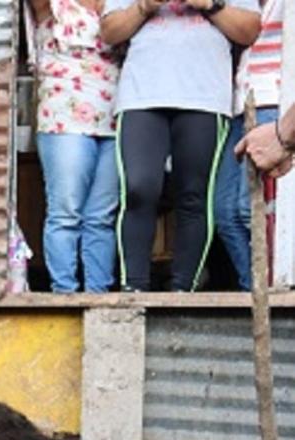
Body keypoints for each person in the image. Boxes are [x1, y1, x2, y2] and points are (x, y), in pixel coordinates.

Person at [101, 0, 261, 291]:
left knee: (193, 196)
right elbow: (110, 31)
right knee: (138, 189)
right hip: (141, 96)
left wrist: (208, 4)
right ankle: (134, 287)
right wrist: (144, 6)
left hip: (205, 98)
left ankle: (182, 289)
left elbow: (249, 30)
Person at [28, 0, 122, 293]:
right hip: (64, 115)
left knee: (101, 216)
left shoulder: (120, 6)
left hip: (115, 115)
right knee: (66, 212)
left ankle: (99, 294)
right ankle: (64, 293)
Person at [215, 0, 283, 290]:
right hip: (239, 104)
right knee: (224, 211)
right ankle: (254, 289)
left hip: (277, 100)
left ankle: (271, 287)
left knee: (249, 208)